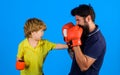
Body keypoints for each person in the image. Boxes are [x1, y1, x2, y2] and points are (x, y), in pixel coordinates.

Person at [62, 4, 106, 75]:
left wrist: (75, 41)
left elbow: (83, 66)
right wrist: (70, 44)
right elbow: (75, 58)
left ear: (88, 18)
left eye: (78, 20)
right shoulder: (83, 33)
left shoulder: (97, 41)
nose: (76, 24)